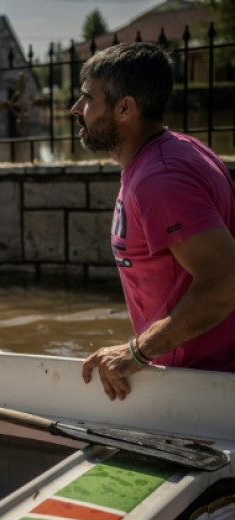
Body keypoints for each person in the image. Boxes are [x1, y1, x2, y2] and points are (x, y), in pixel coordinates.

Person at [71, 42, 235, 401]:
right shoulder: (173, 152)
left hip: (205, 390)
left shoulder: (161, 179)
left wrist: (135, 353)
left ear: (125, 107)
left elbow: (224, 282)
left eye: (87, 98)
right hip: (194, 379)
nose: (76, 109)